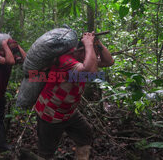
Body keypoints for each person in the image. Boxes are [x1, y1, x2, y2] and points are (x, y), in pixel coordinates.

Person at [33, 31, 114, 160]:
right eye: (92, 52)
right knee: (46, 152)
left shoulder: (83, 59)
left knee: (85, 136)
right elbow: (91, 72)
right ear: (82, 51)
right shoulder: (66, 60)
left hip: (68, 112)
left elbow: (109, 61)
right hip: (50, 113)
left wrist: (97, 43)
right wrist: (88, 44)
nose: (96, 56)